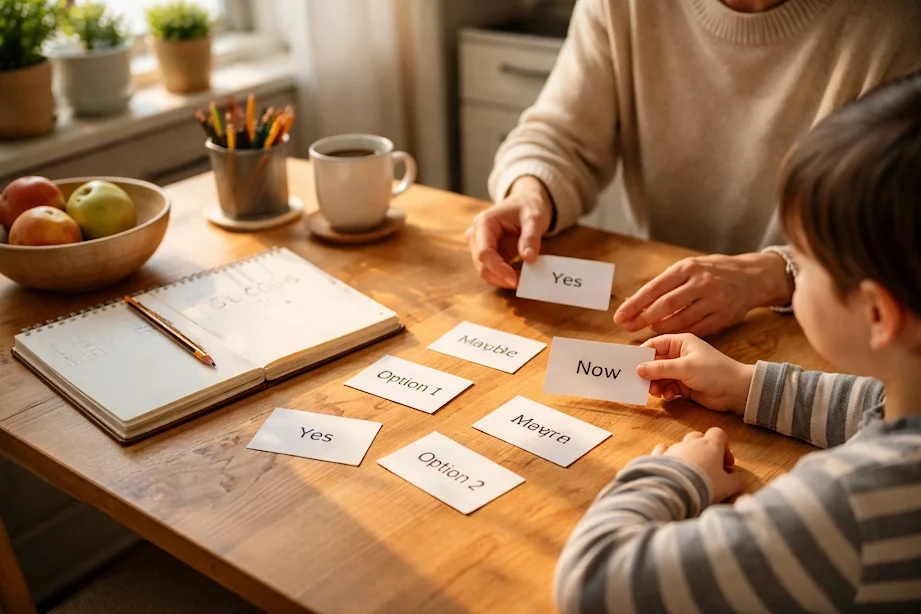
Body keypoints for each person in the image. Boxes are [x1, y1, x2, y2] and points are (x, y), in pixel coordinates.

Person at [553, 73, 921, 612]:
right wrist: (744, 385)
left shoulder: (854, 510)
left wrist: (677, 475)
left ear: (876, 313)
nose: (789, 266)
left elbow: (594, 579)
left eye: (801, 256)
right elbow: (878, 407)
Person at [467, 0, 921, 337]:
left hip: (825, 331)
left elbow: (901, 235)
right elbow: (558, 136)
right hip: (660, 319)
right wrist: (530, 192)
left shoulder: (898, 24)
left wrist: (773, 274)